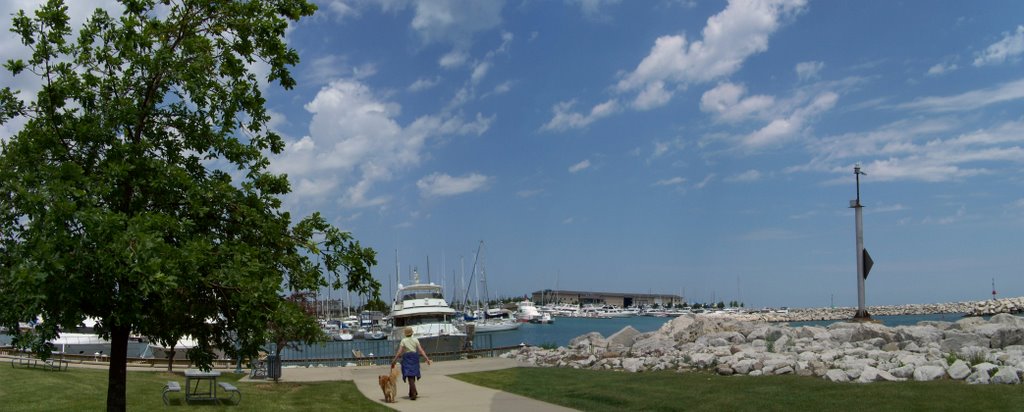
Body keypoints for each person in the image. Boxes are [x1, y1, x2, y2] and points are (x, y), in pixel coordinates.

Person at [391, 326, 431, 400]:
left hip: (407, 358)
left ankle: (413, 393)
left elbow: (399, 352)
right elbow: (421, 350)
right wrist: (427, 359)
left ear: (405, 334)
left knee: (409, 375)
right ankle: (411, 392)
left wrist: (394, 360)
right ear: (412, 333)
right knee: (412, 376)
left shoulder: (403, 341)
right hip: (414, 357)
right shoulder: (415, 340)